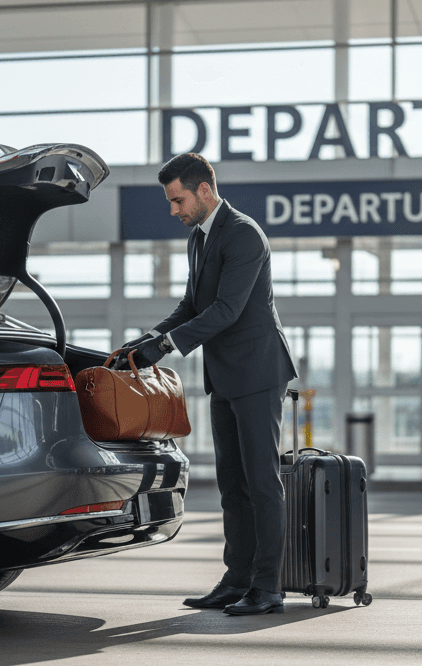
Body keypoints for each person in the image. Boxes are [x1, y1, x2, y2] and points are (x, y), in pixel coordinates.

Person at [120, 153, 298, 616]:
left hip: (257, 372)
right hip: (224, 376)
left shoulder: (243, 234)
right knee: (232, 486)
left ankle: (267, 587)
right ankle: (236, 580)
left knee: (262, 483)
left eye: (178, 200)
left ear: (204, 190)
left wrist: (164, 347)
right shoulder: (199, 239)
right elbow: (191, 305)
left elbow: (225, 311)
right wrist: (145, 341)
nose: (173, 210)